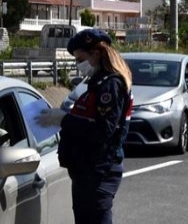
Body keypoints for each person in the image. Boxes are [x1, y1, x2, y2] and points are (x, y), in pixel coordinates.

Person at [37, 28, 133, 224]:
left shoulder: (110, 85)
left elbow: (103, 130)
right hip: (88, 171)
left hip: (99, 171)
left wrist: (64, 119)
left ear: (96, 54)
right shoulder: (97, 84)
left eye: (80, 59)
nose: (77, 65)